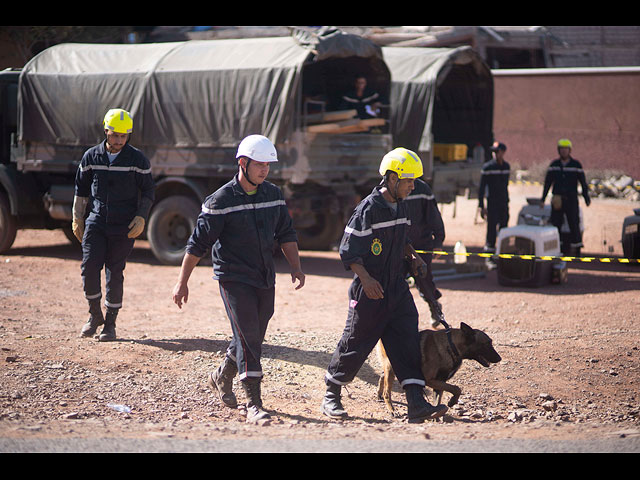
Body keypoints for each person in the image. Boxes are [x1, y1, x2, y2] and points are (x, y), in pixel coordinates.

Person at [171, 134, 305, 424]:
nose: (265, 170)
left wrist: (296, 266)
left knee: (253, 333)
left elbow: (286, 233)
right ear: (243, 163)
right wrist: (182, 282)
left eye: (268, 165)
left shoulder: (273, 195)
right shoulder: (220, 201)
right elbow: (197, 245)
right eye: (259, 165)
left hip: (264, 275)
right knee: (247, 334)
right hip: (233, 278)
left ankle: (222, 375)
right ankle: (253, 403)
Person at [321, 147, 448, 423]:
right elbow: (348, 251)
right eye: (409, 181)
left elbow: (402, 239)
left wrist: (414, 258)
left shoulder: (402, 205)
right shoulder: (368, 210)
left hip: (397, 289)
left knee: (406, 342)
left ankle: (416, 402)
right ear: (392, 178)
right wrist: (366, 280)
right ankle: (331, 394)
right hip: (371, 291)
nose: (413, 186)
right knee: (355, 342)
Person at [72, 109, 155, 342]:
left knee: (114, 272)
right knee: (89, 267)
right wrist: (77, 217)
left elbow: (149, 191)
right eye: (114, 135)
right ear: (105, 131)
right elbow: (81, 190)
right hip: (96, 221)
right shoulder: (91, 157)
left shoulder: (137, 160)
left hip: (124, 225)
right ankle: (94, 314)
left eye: (123, 136)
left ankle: (110, 324)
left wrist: (141, 216)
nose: (118, 140)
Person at [404, 178, 446, 328]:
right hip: (399, 245)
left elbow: (434, 217)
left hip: (421, 245)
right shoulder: (391, 190)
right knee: (395, 282)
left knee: (424, 280)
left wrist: (438, 241)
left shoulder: (422, 190)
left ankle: (435, 307)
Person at [541, 138, 590, 255]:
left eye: (566, 149)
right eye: (561, 149)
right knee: (556, 223)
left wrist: (586, 197)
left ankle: (577, 249)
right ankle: (558, 248)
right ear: (558, 151)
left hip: (571, 199)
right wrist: (543, 199)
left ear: (570, 150)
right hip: (557, 199)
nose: (564, 151)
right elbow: (547, 183)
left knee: (574, 222)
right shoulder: (554, 165)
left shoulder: (576, 165)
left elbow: (583, 182)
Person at [478, 141, 510, 254]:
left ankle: (502, 252)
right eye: (493, 152)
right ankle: (490, 253)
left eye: (497, 152)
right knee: (491, 228)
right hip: (492, 203)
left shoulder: (506, 167)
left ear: (503, 152)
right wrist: (481, 205)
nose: (495, 154)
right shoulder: (487, 167)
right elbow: (481, 188)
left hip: (504, 202)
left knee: (504, 227)